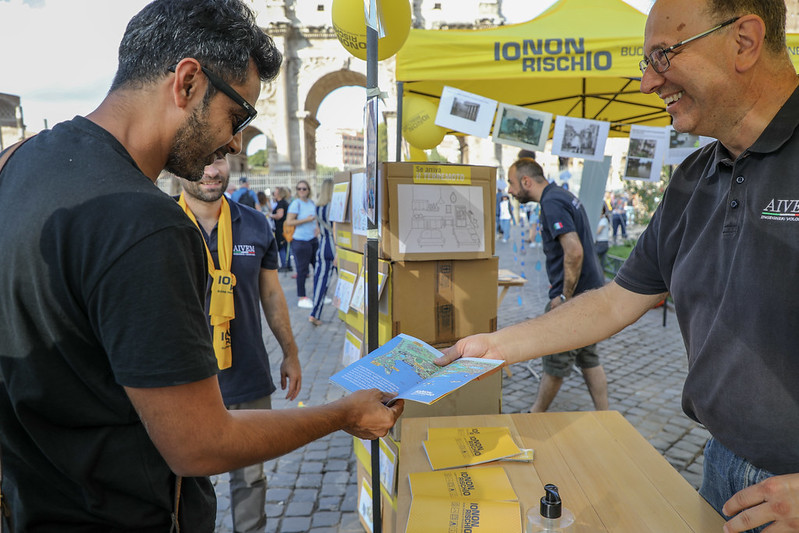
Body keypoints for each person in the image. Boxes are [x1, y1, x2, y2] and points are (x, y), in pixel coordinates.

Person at [0, 1, 402, 530]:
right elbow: (200, 446)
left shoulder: (19, 163)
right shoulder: (148, 224)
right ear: (187, 82)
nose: (236, 144)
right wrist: (345, 413)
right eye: (237, 116)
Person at [439, 1, 799, 530]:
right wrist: (497, 346)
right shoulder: (695, 175)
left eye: (663, 56)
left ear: (743, 41)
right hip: (723, 468)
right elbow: (616, 299)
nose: (646, 83)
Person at [177, 156, 300, 533]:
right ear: (178, 164)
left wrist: (291, 353)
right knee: (190, 481)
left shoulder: (256, 222)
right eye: (201, 162)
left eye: (218, 160)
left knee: (250, 477)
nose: (211, 171)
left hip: (247, 372)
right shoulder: (159, 223)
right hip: (184, 381)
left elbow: (272, 294)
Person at [505, 158, 608, 413]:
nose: (509, 189)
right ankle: (606, 414)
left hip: (575, 299)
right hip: (590, 293)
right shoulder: (561, 195)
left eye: (511, 182)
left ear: (526, 181)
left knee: (555, 361)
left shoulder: (552, 202)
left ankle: (534, 414)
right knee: (588, 359)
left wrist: (563, 298)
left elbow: (573, 251)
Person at [285, 180, 317, 308]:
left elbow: (316, 219)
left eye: (304, 188)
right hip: (300, 241)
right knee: (302, 270)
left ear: (309, 190)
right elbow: (289, 222)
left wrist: (317, 228)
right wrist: (306, 220)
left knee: (318, 267)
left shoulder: (311, 203)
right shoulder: (295, 204)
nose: (302, 191)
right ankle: (302, 297)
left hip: (313, 239)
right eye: (299, 189)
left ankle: (319, 293)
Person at [309, 178, 336, 326]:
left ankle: (314, 314)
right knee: (345, 281)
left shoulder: (318, 207)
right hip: (335, 246)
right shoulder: (334, 206)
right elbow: (336, 230)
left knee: (321, 281)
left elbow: (319, 229)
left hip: (323, 245)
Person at [270, 186, 291, 270]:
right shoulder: (284, 202)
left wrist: (270, 215)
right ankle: (287, 263)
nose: (274, 193)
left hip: (281, 228)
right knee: (285, 247)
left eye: (275, 192)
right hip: (284, 228)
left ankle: (285, 264)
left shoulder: (281, 204)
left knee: (281, 246)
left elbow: (279, 215)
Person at [595, 203, 611, 272]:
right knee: (599, 263)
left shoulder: (604, 220)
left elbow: (597, 231)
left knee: (592, 257)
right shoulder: (600, 220)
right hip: (599, 243)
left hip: (602, 244)